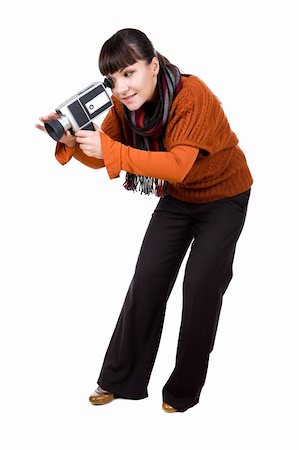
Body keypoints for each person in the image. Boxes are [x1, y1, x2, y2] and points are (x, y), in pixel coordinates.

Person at [35, 28, 253, 413]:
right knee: (147, 281)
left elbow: (177, 165)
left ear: (153, 66)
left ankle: (182, 392)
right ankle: (121, 380)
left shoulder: (193, 96)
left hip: (224, 196)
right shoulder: (125, 106)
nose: (121, 88)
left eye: (129, 73)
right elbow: (107, 156)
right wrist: (73, 143)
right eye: (113, 78)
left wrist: (108, 147)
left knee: (202, 288)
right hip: (178, 199)